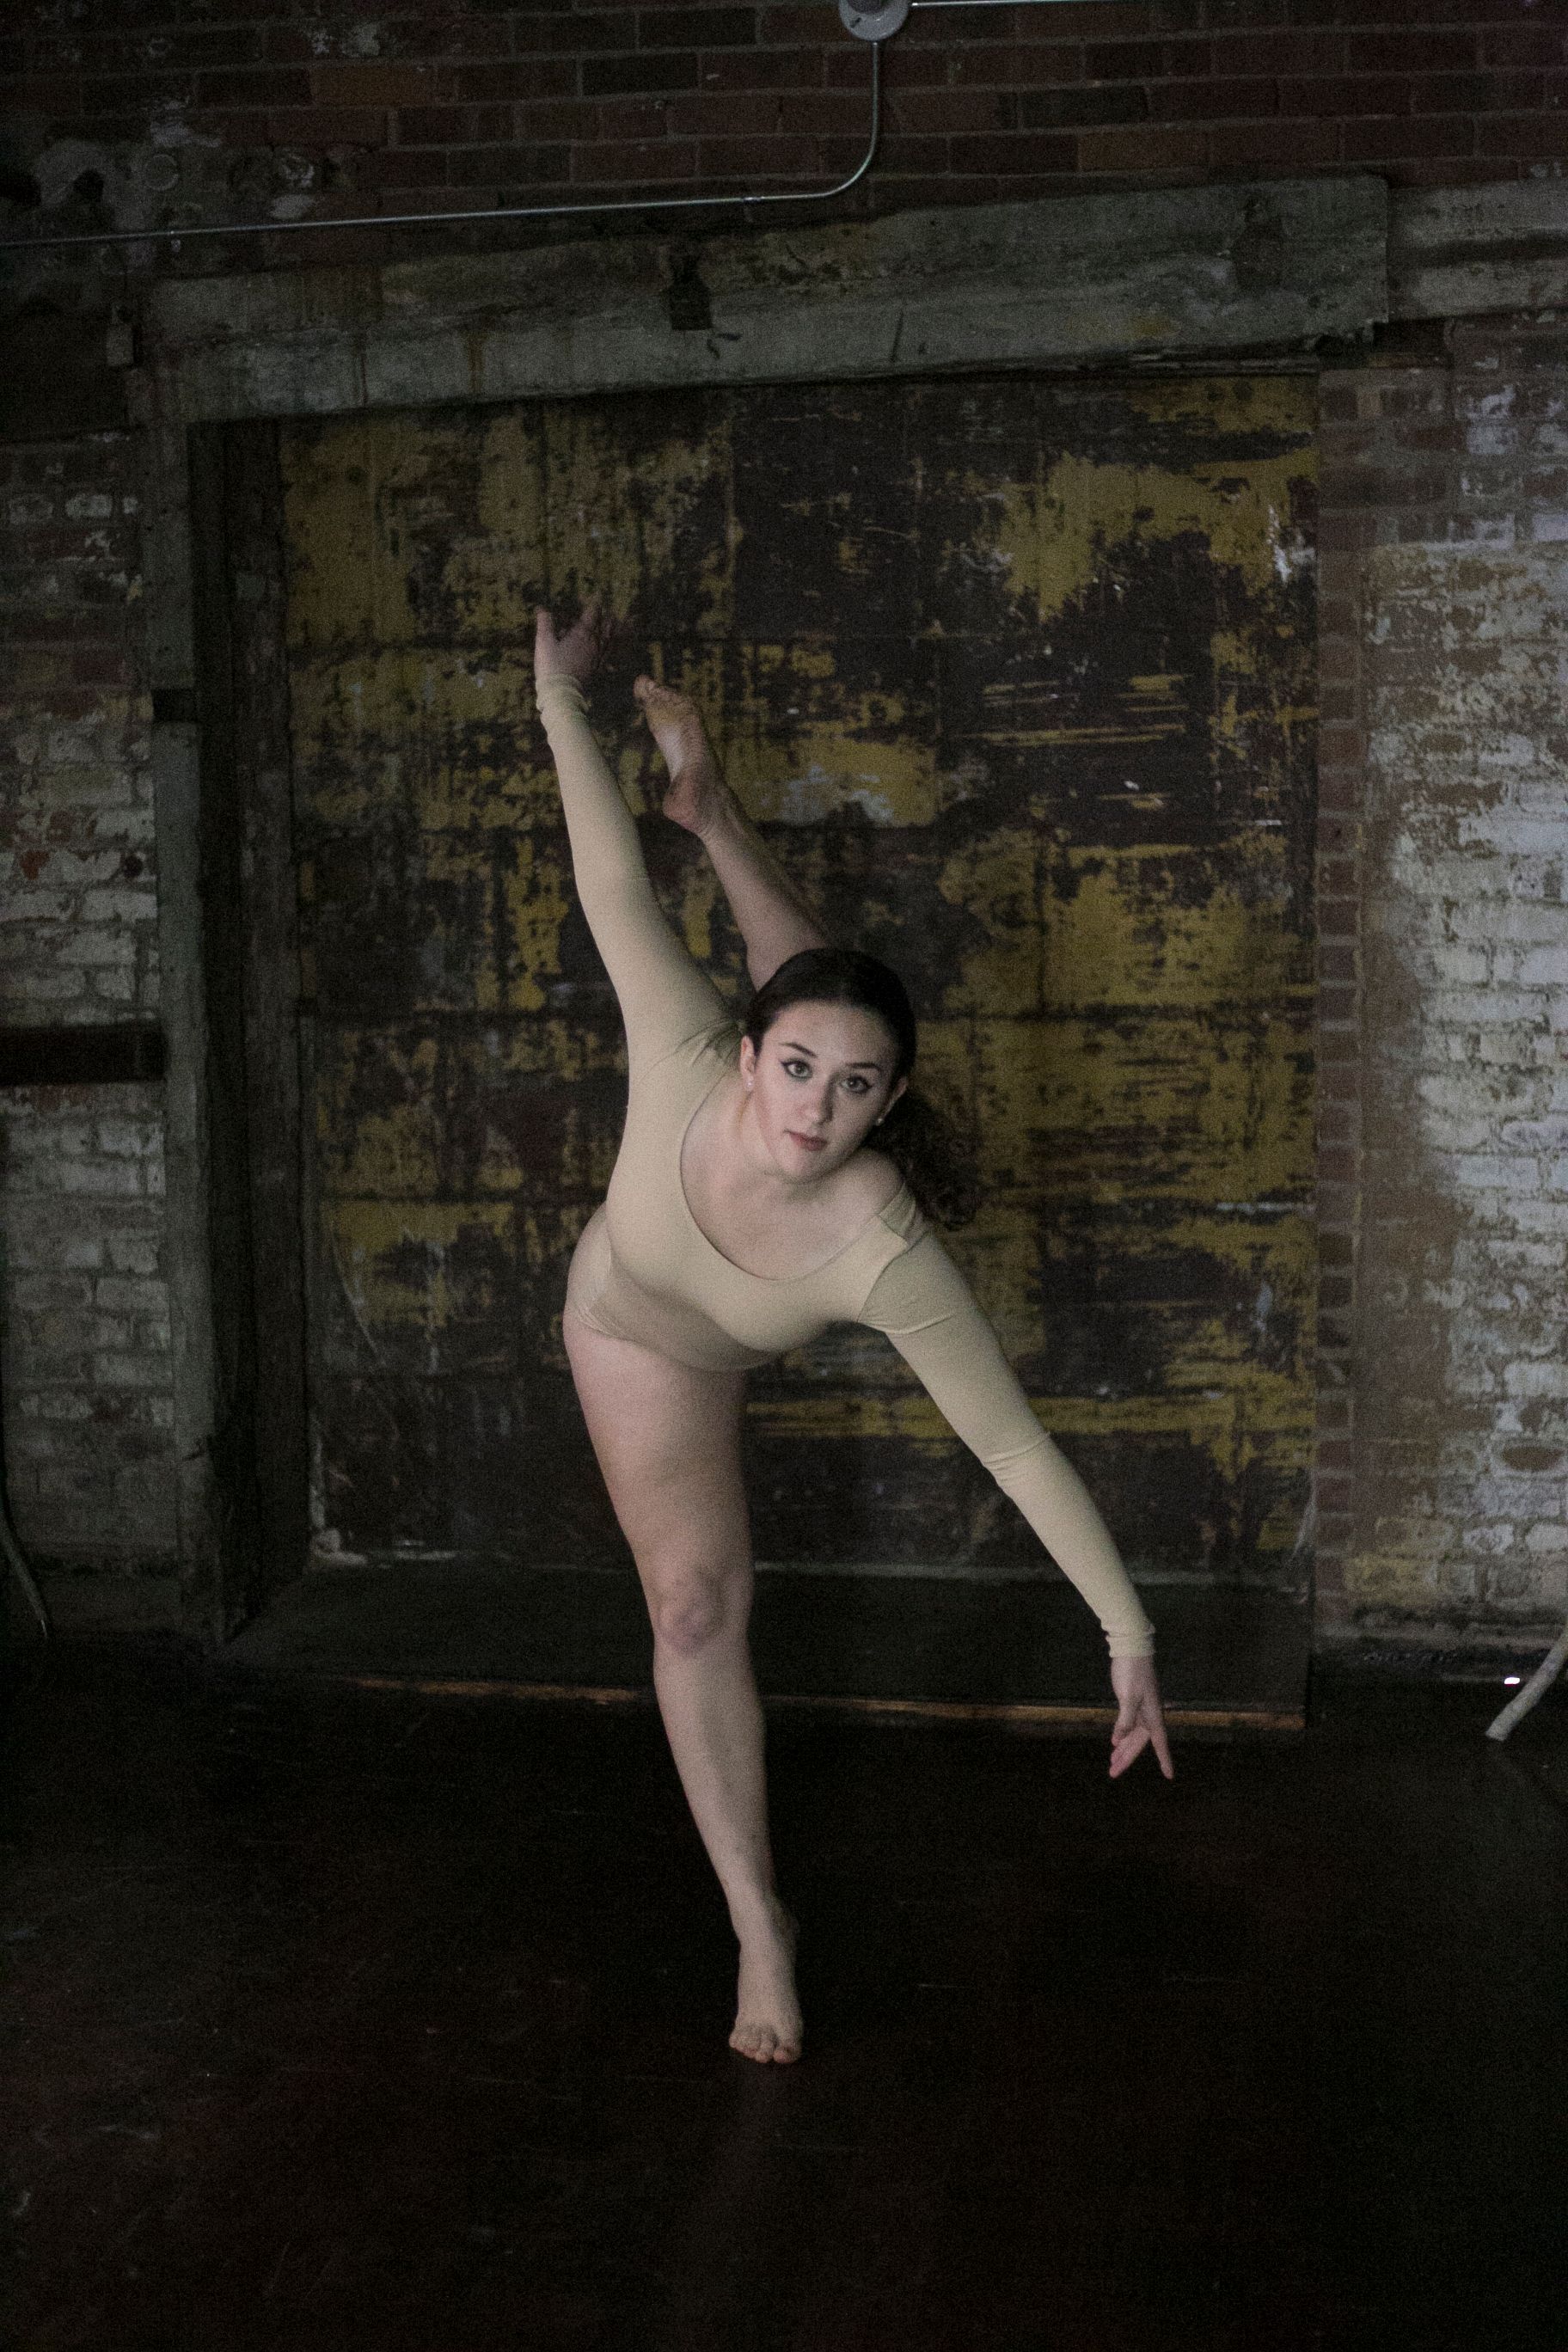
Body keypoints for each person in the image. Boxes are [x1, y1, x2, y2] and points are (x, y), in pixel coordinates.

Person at [535, 600, 1173, 2067]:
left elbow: (1007, 1441)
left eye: (858, 1090)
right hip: (631, 1332)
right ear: (750, 1059)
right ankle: (762, 1921)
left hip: (737, 1326)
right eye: (799, 1072)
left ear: (889, 1107)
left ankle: (720, 813)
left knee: (838, 982)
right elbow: (601, 875)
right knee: (690, 1614)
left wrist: (1127, 1634)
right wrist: (562, 701)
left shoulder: (883, 1237)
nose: (817, 1112)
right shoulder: (694, 1044)